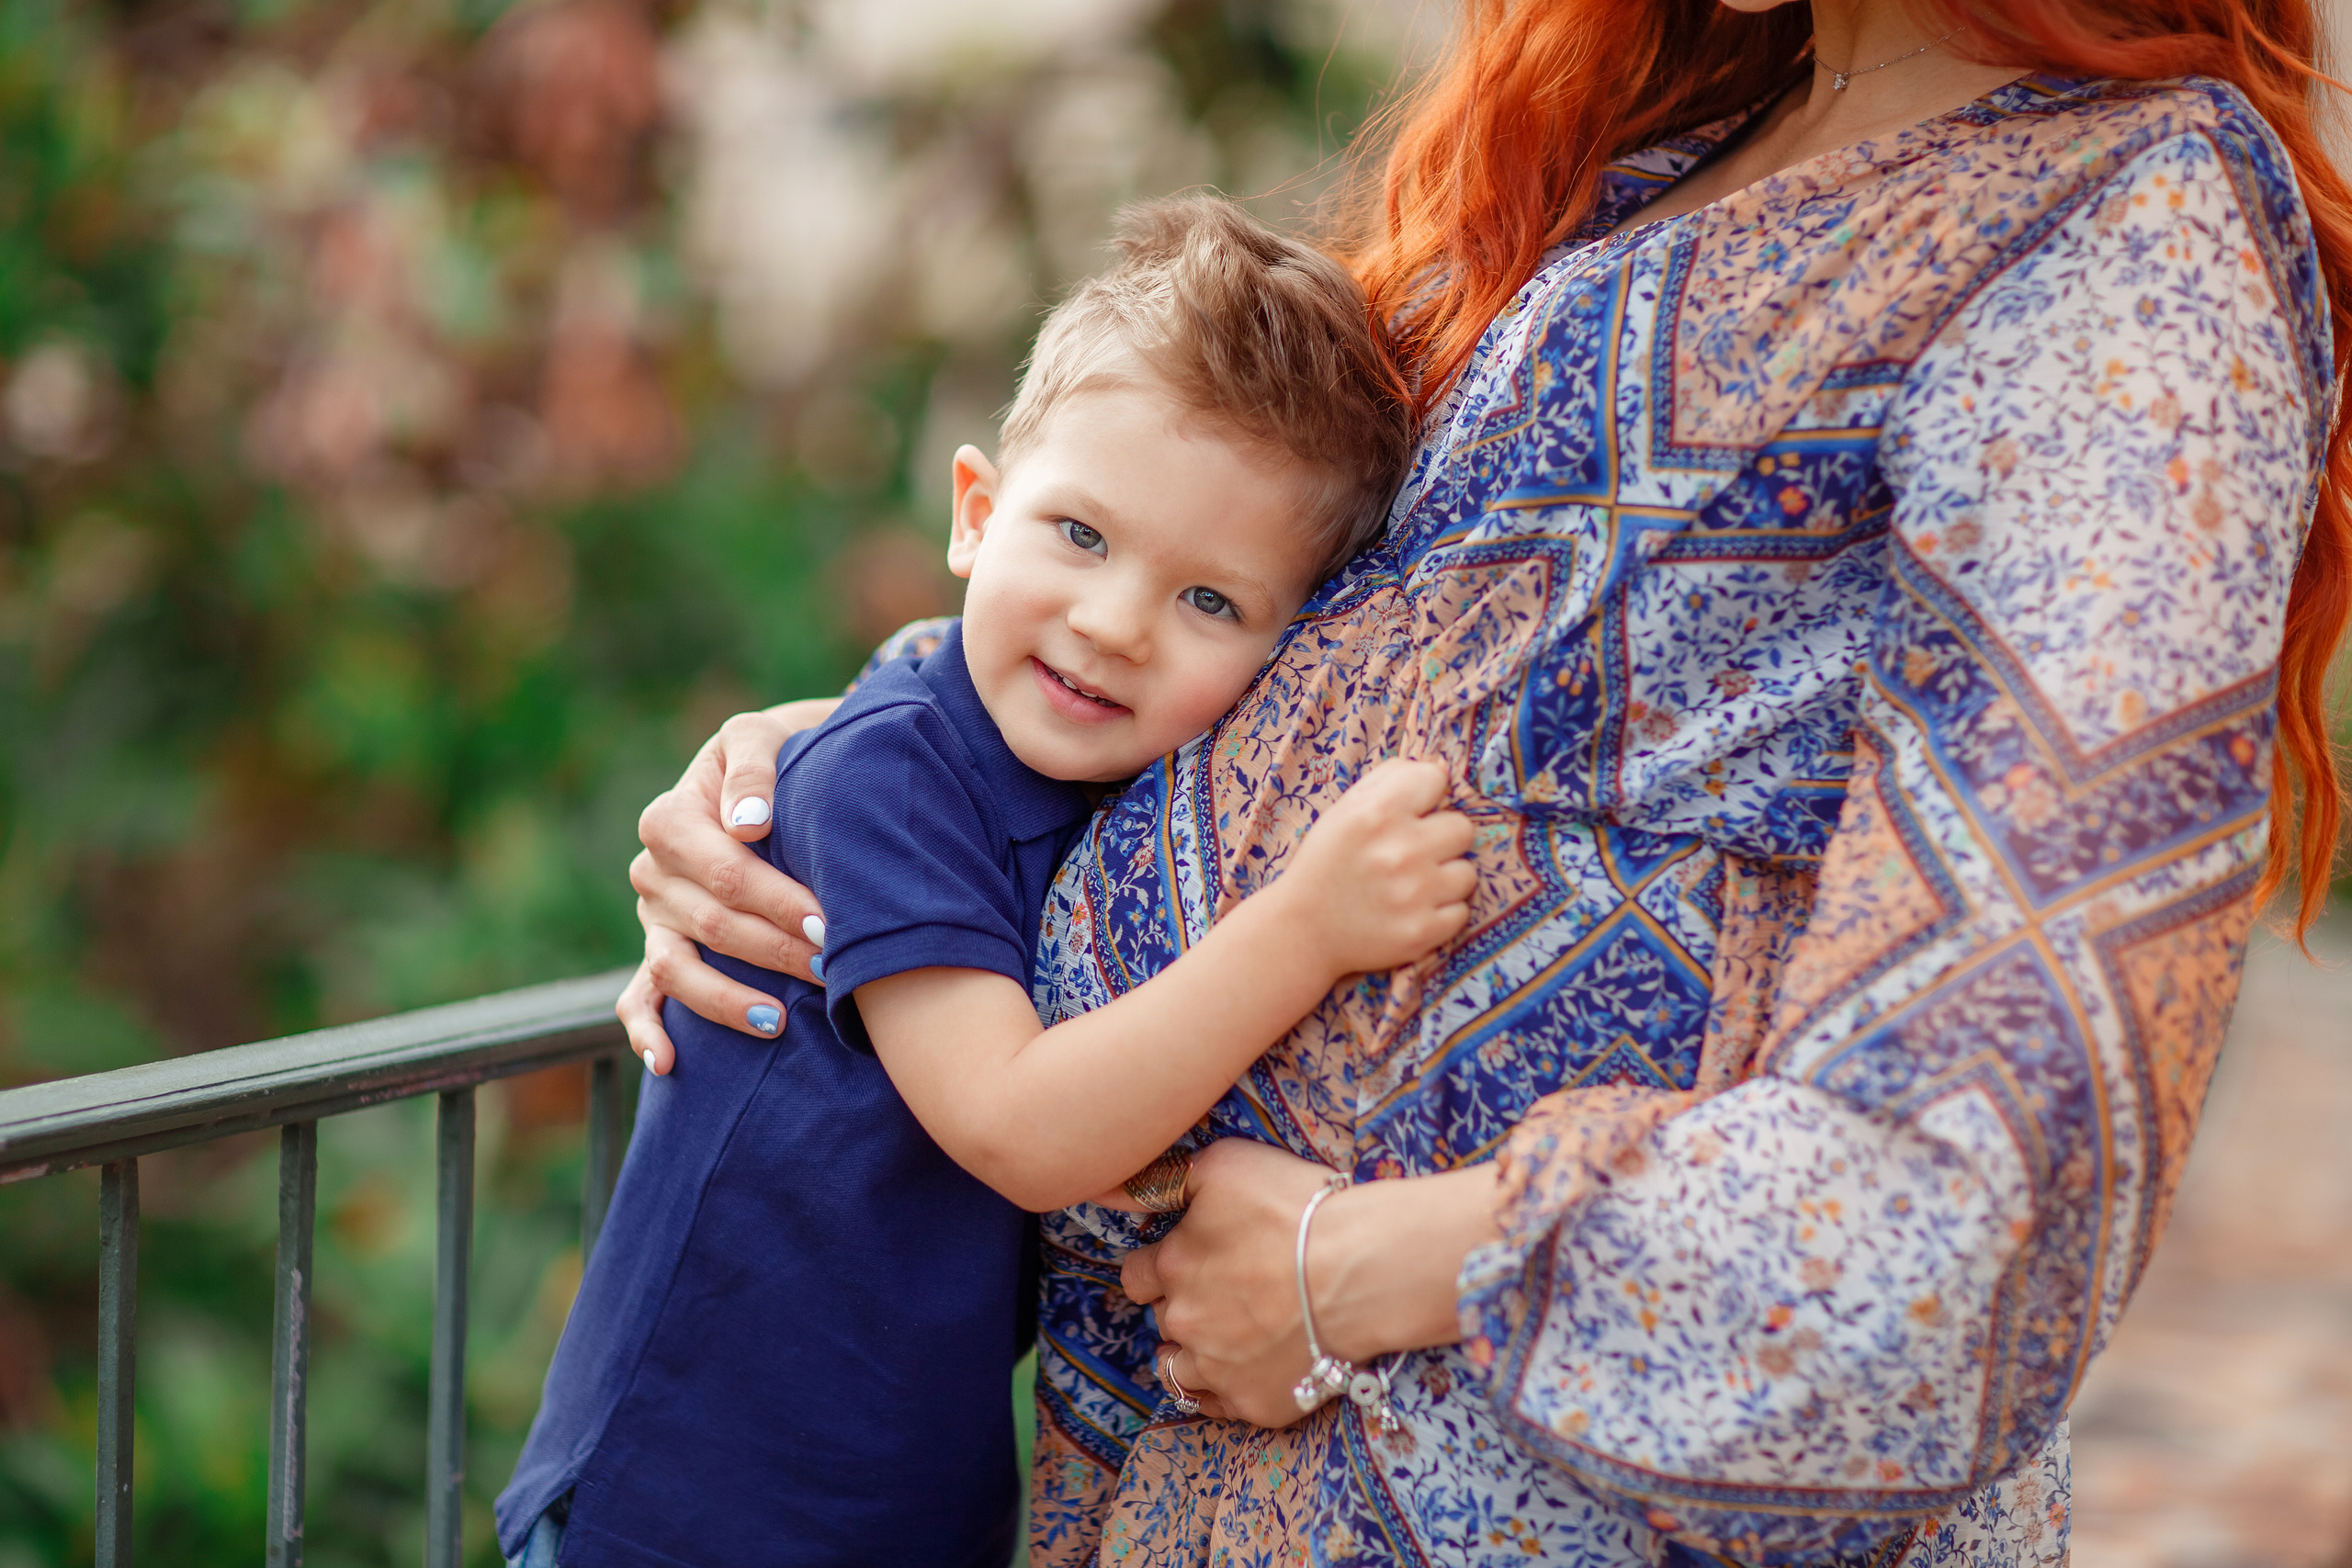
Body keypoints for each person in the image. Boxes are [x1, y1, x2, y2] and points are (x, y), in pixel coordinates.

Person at [623, 0, 2352, 1562]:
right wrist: (854, 777)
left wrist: (1355, 1268)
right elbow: (1268, 601)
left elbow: (1992, 1167)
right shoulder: (1633, 167)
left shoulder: (2130, 223)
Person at [493, 198, 1464, 1568]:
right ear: (975, 515)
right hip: (694, 1503)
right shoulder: (883, 777)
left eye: (1209, 603)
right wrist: (1307, 926)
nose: (1113, 623)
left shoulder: (1089, 791)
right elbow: (1017, 1123)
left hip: (887, 1504)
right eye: (1079, 535)